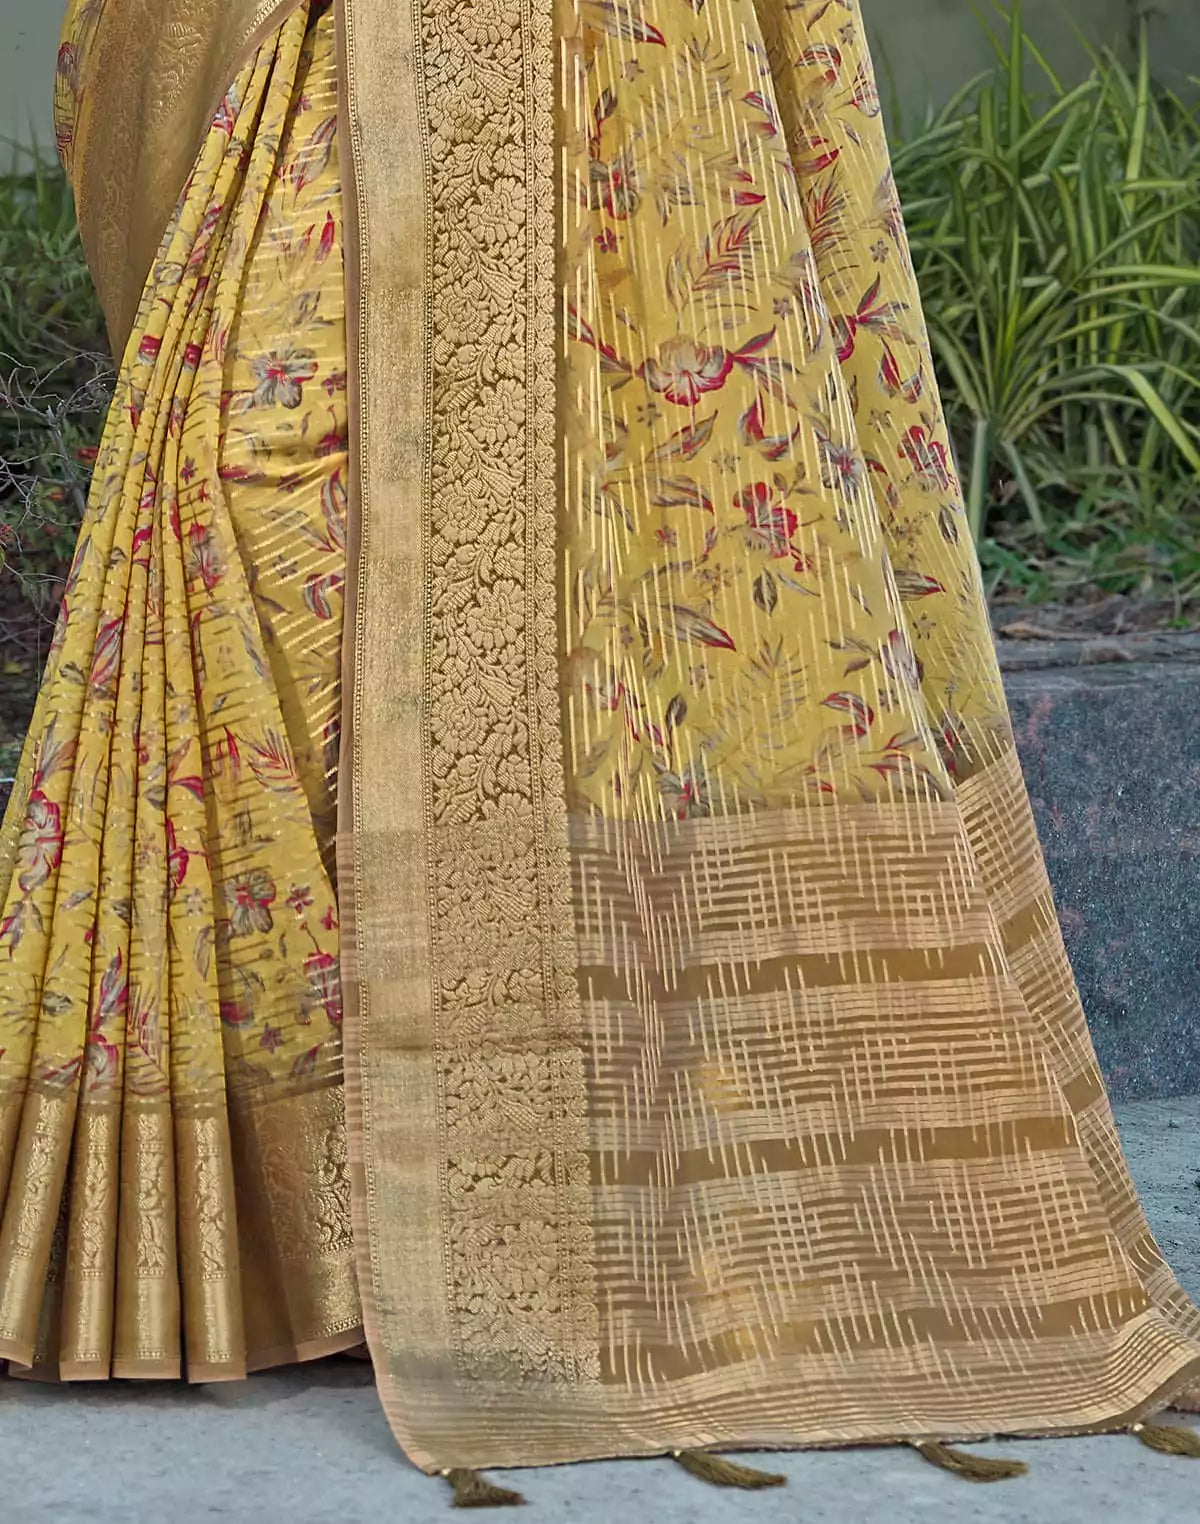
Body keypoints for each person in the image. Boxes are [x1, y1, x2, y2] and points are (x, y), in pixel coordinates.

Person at [1, 0, 1197, 1505]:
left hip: (631, 72)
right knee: (249, 485)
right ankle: (302, 1232)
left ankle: (527, 1230)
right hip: (346, 63)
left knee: (645, 587)